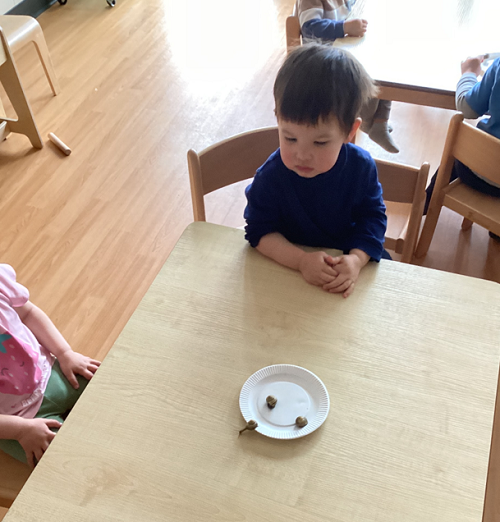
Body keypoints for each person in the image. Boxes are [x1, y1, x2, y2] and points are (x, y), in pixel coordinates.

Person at [244, 43, 389, 298]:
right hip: (287, 279)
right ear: (277, 119)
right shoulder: (271, 176)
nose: (301, 154)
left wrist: (356, 260)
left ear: (350, 131)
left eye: (320, 142)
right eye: (289, 138)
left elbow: (373, 218)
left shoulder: (361, 168)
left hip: (347, 274)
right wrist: (300, 261)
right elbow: (258, 230)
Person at [0, 264, 100, 468]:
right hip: (17, 422)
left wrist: (65, 353)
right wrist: (20, 430)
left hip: (54, 373)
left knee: (115, 390)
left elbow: (28, 314)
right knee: (67, 463)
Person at [297, 0, 399, 153]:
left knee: (384, 61)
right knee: (369, 75)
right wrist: (344, 27)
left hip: (343, 51)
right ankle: (368, 121)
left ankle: (380, 122)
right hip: (324, 64)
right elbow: (310, 28)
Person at [424, 54, 500, 240]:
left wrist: (469, 72)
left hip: (475, 172)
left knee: (459, 152)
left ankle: (424, 203)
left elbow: (467, 108)